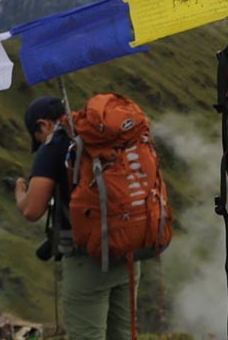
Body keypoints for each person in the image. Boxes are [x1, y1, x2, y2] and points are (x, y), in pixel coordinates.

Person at [14, 95, 139, 340]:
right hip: (128, 252)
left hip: (87, 260)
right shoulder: (106, 135)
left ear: (44, 124)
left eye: (38, 136)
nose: (41, 142)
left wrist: (20, 191)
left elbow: (32, 210)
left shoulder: (54, 147)